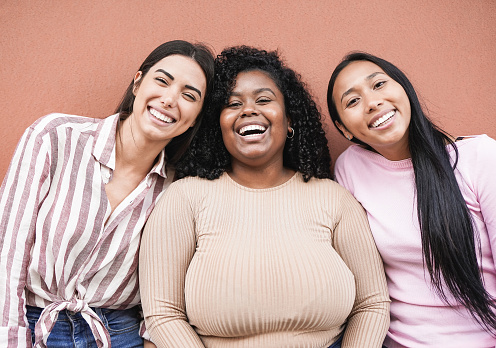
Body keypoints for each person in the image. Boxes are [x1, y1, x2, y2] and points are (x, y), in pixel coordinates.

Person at [139, 46, 390, 348]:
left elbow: (372, 303)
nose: (248, 110)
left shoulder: (335, 200)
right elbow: (163, 313)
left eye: (263, 100)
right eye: (233, 104)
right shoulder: (184, 198)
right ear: (218, 126)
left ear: (290, 120)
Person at [0, 40, 214, 348]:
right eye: (162, 81)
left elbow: (171, 289)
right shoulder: (54, 137)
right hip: (34, 323)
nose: (170, 99)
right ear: (138, 83)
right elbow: (6, 254)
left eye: (189, 95)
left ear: (196, 117)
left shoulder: (178, 188)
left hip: (118, 333)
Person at [327, 52, 496, 347]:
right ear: (343, 129)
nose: (372, 103)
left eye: (378, 85)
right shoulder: (349, 169)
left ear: (404, 89)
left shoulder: (479, 157)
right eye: (352, 101)